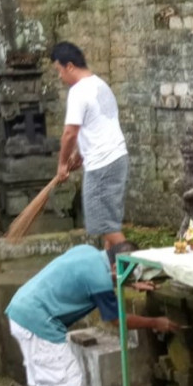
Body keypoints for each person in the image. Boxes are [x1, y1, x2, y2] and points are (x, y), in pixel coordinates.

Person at [4, 242, 176, 386]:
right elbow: (117, 320)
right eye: (128, 272)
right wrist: (155, 322)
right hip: (37, 320)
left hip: (22, 309)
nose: (130, 277)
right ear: (115, 268)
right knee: (68, 374)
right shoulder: (100, 281)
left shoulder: (88, 252)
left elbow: (89, 277)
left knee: (53, 371)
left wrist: (126, 282)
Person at [51, 41, 130, 251]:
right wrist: (80, 154)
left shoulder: (78, 91)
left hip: (101, 165)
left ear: (69, 66)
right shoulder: (99, 85)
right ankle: (110, 272)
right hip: (118, 158)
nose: (60, 77)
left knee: (102, 224)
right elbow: (98, 124)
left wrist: (61, 165)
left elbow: (69, 133)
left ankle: (138, 268)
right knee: (110, 222)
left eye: (59, 70)